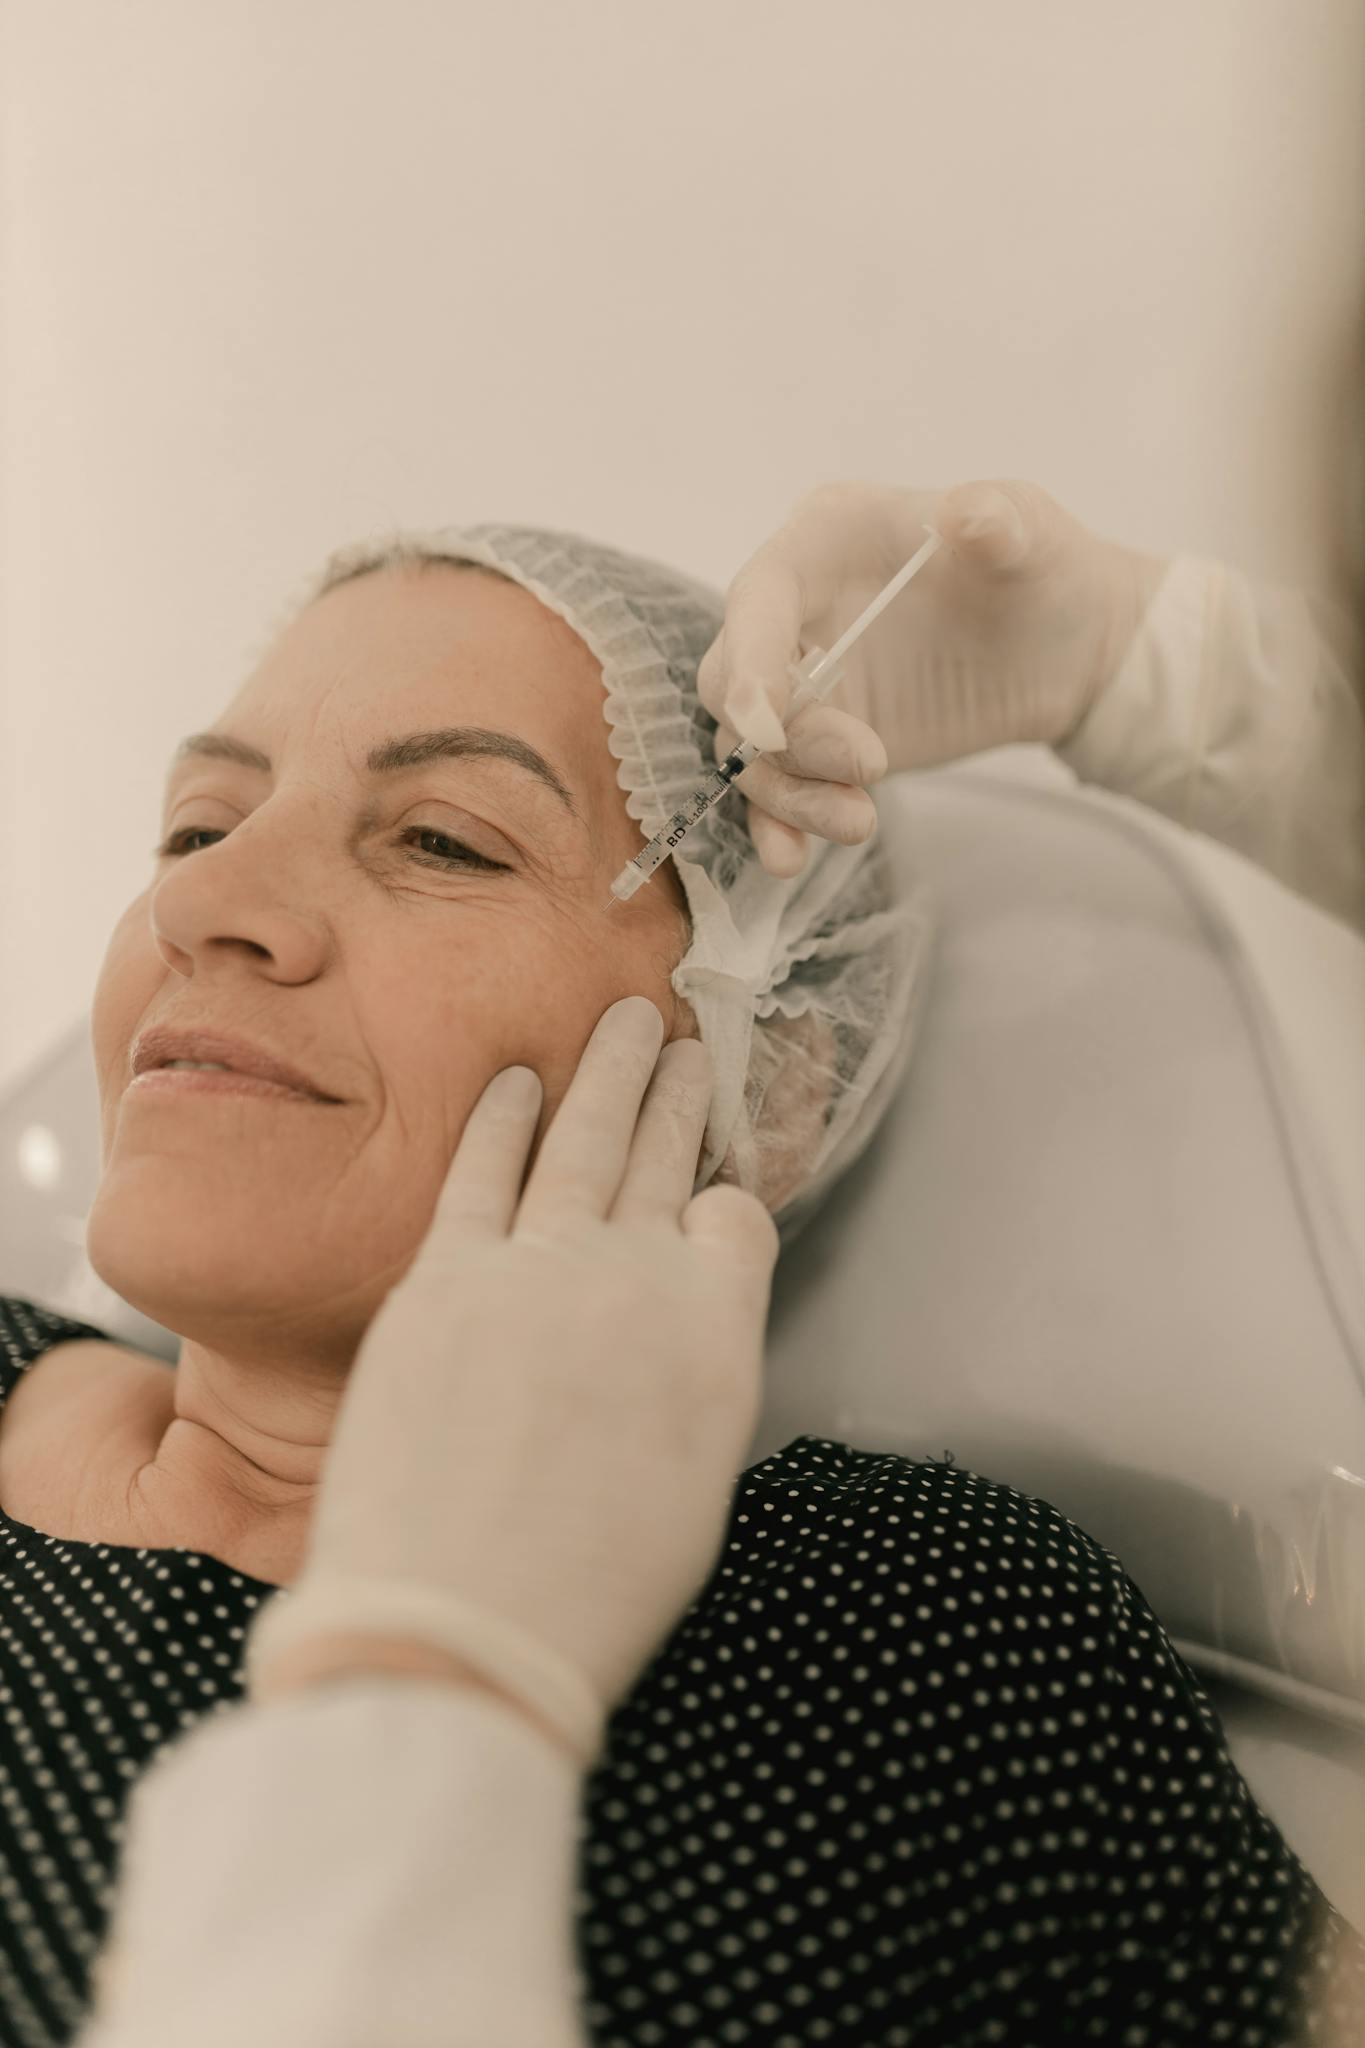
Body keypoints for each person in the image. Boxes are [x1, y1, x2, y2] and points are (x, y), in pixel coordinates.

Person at [1, 482, 1352, 2045]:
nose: (200, 901)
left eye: (441, 840)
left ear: (758, 1077)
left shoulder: (920, 1643)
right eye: (197, 824)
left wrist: (1172, 673)